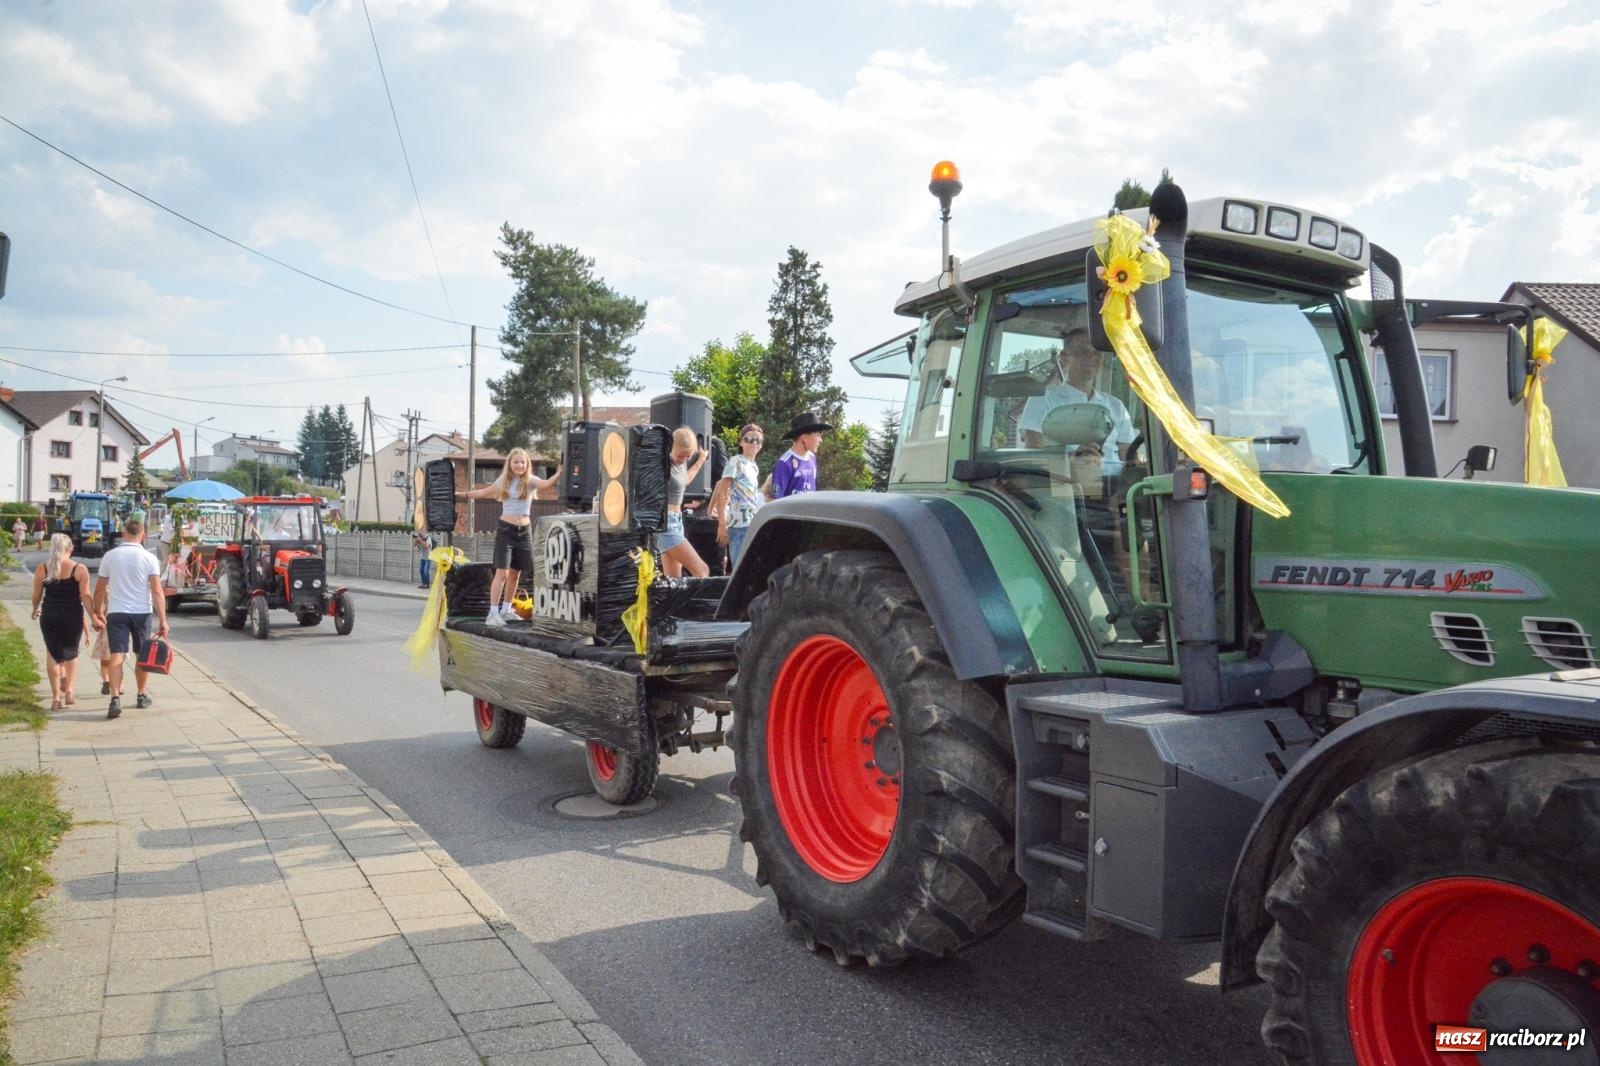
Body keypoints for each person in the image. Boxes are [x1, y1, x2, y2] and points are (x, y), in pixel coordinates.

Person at [1018, 327, 1137, 492]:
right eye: (1083, 352)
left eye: (1097, 353)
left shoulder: (1116, 406)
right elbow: (1035, 454)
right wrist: (1072, 460)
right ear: (1064, 357)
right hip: (1066, 488)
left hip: (1116, 488)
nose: (1092, 358)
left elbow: (1129, 455)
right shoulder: (1043, 398)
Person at [456, 447, 554, 627]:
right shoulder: (504, 481)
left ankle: (506, 610)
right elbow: (482, 493)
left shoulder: (530, 481)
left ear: (527, 464)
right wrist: (459, 495)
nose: (519, 465)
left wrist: (559, 474)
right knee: (502, 573)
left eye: (523, 462)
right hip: (506, 530)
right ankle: (492, 613)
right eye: (516, 462)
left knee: (516, 573)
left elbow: (546, 484)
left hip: (524, 532)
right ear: (510, 464)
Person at [92, 518, 167, 720]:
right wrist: (163, 620)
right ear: (143, 536)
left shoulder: (110, 556)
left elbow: (99, 589)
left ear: (124, 534)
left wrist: (97, 612)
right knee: (141, 656)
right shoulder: (149, 558)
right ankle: (141, 695)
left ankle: (115, 699)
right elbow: (157, 591)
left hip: (116, 612)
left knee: (117, 655)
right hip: (142, 613)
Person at [30, 533, 94, 710]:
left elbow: (36, 595)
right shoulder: (79, 569)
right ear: (70, 549)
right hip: (72, 615)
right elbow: (85, 595)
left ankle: (56, 697)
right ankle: (70, 691)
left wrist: (35, 609)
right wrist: (94, 616)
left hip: (50, 614)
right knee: (72, 652)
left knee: (52, 654)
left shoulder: (43, 568)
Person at [657, 428, 711, 579]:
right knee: (702, 570)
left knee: (675, 581)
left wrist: (701, 459)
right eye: (681, 455)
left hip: (677, 521)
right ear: (672, 447)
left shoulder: (682, 464)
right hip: (666, 523)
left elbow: (685, 480)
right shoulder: (662, 463)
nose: (684, 460)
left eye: (688, 456)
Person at [710, 423, 764, 568]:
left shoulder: (754, 466)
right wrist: (722, 524)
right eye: (749, 439)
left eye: (758, 440)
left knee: (750, 567)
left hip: (752, 523)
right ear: (741, 442)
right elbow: (722, 492)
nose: (754, 443)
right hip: (738, 525)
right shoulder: (735, 461)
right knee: (740, 568)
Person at [771, 412, 832, 499]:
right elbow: (776, 500)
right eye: (818, 435)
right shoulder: (784, 463)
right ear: (804, 438)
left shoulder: (812, 458)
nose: (821, 440)